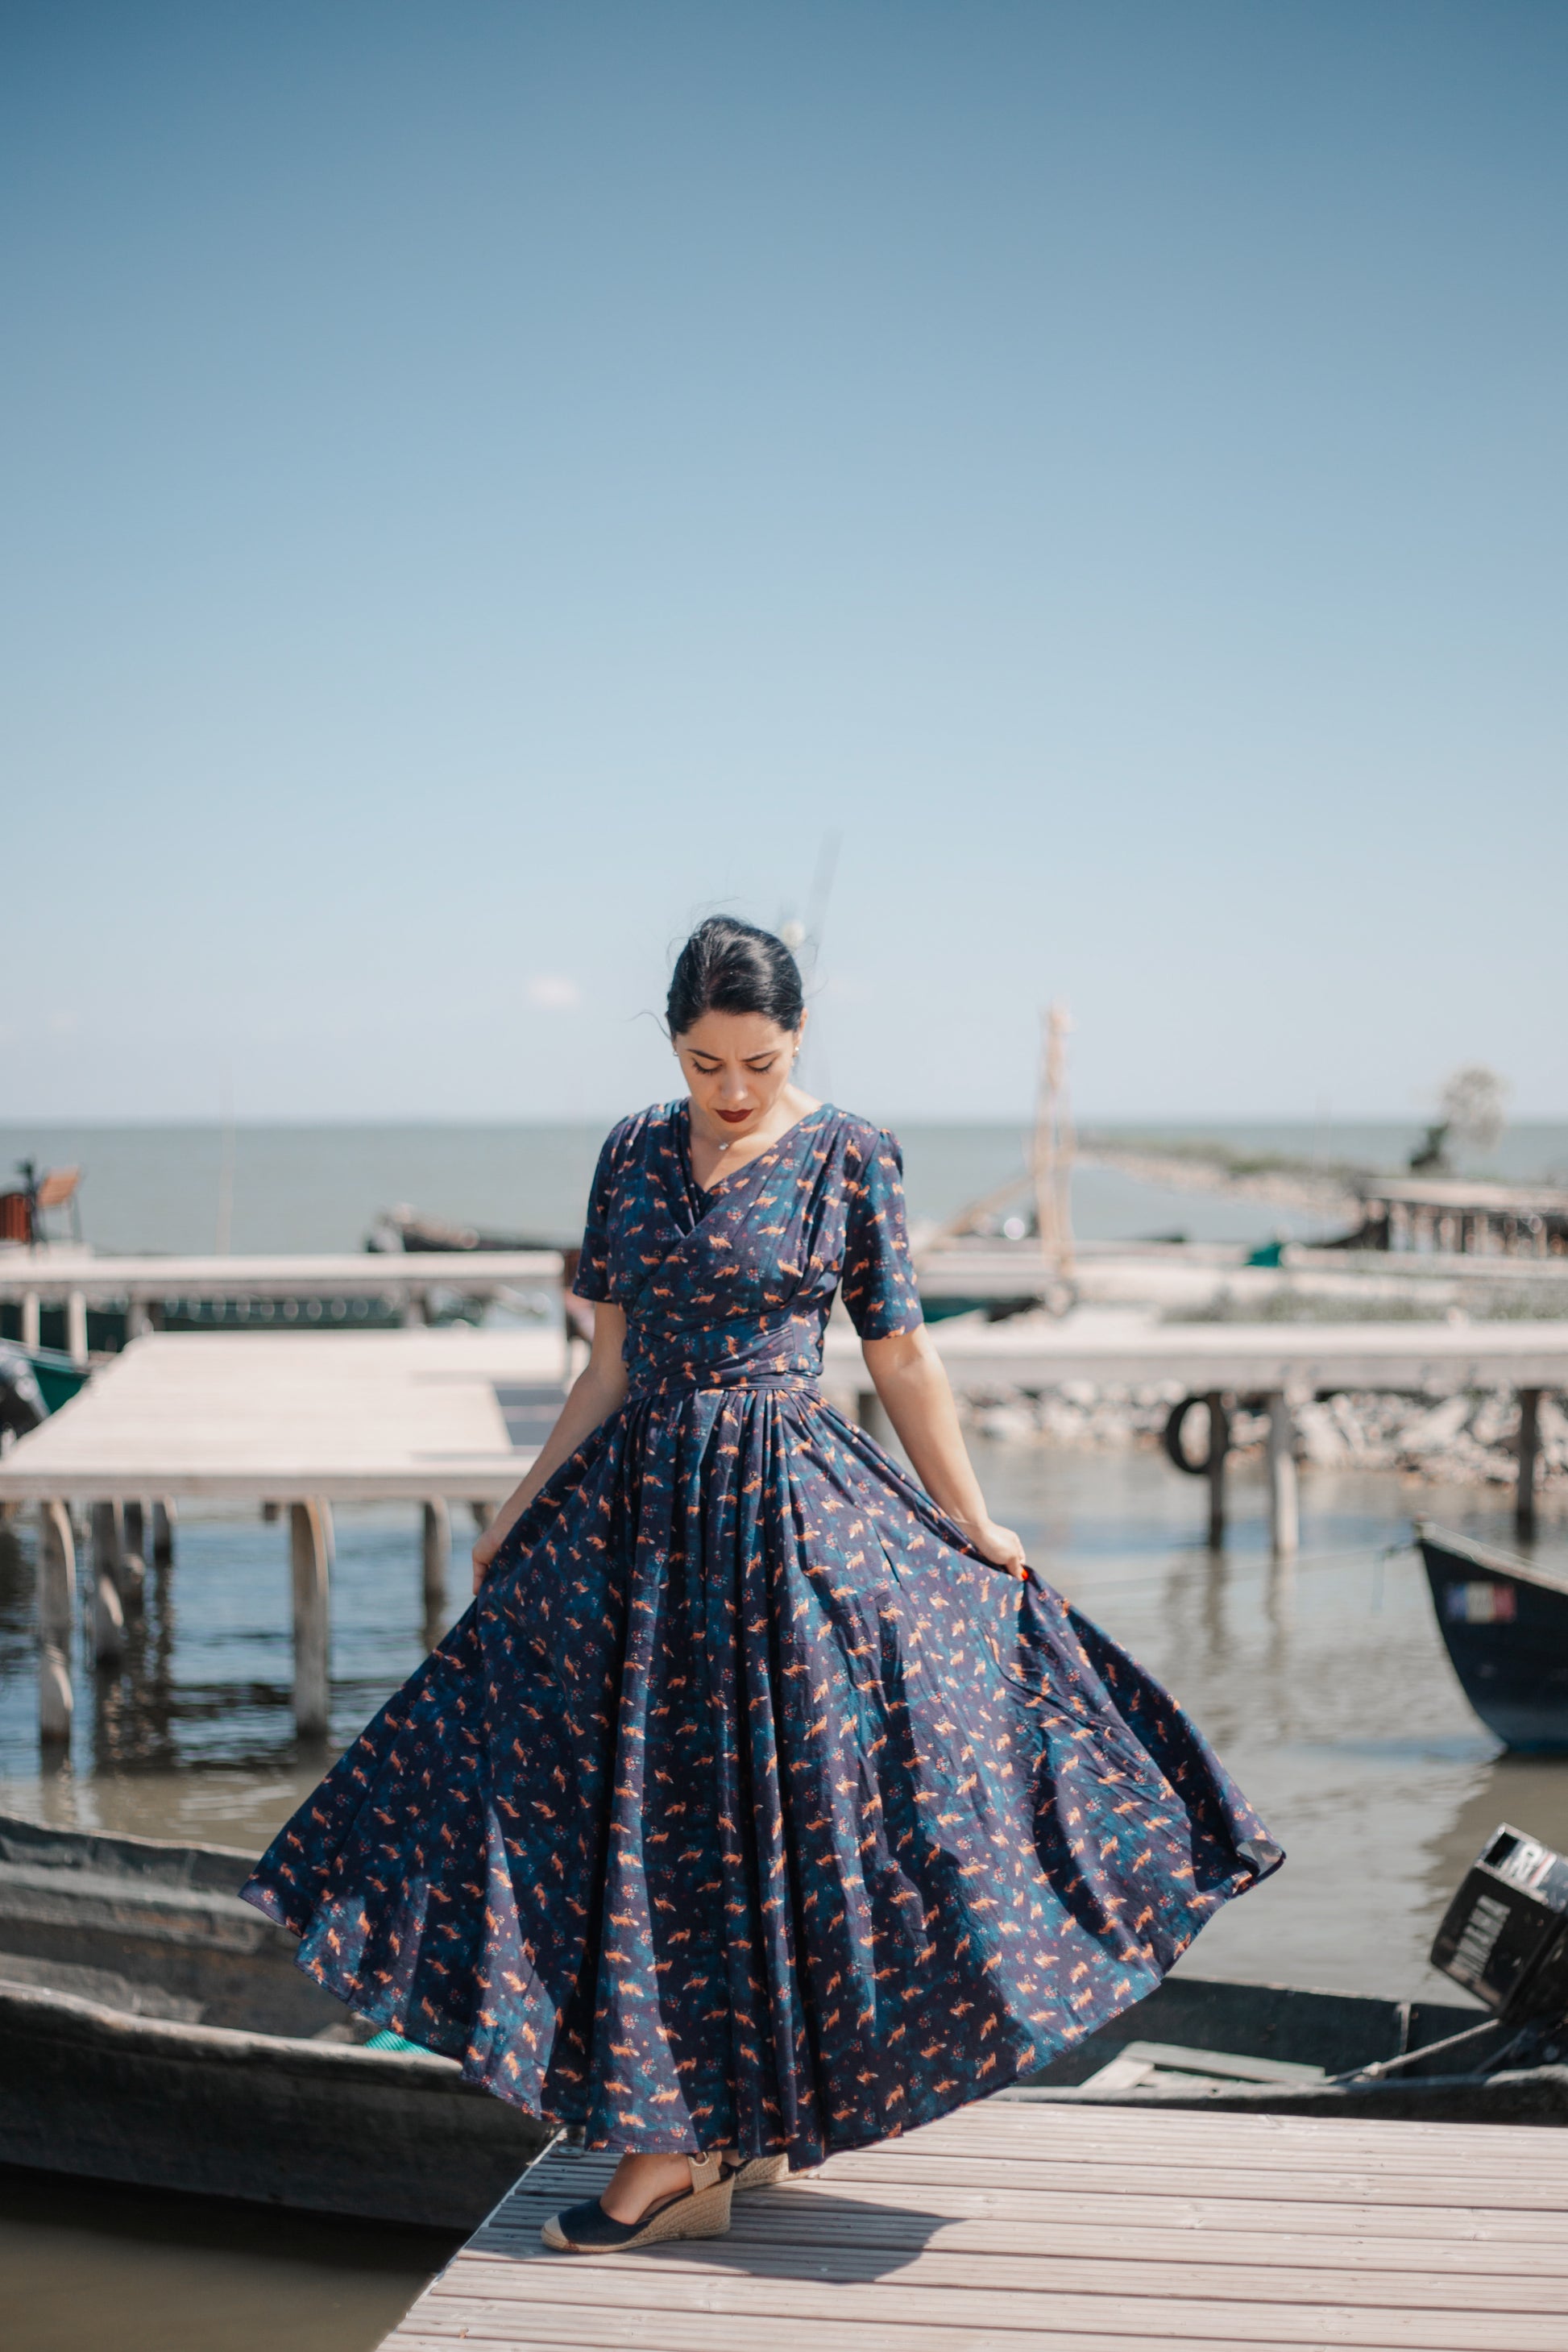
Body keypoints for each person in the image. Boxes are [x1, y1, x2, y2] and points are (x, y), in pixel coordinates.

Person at [241, 915, 1280, 2253]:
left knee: (818, 1806)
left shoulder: (853, 1155)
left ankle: (718, 2129)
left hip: (782, 1515)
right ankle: (682, 2134)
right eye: (702, 1064)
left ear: (798, 1038)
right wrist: (517, 1509)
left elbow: (900, 1358)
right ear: (671, 1043)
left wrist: (972, 1520)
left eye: (756, 1062)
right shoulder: (627, 1151)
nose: (730, 1093)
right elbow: (606, 1368)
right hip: (635, 1519)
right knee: (607, 1815)